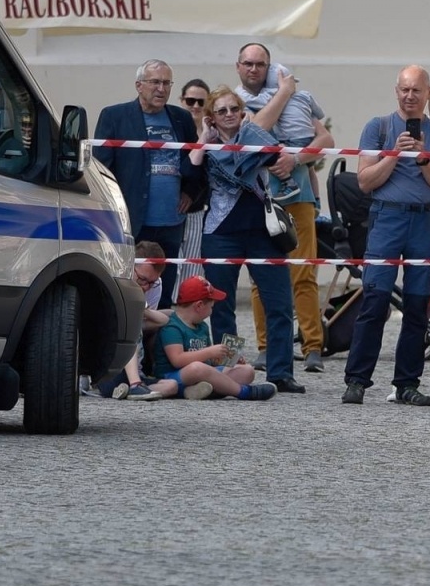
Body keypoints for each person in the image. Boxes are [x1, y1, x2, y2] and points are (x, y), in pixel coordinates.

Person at [340, 66, 430, 406]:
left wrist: (421, 158)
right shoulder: (377, 127)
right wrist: (394, 153)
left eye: (416, 91)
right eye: (404, 90)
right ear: (396, 91)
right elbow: (365, 181)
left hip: (423, 220)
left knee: (418, 305)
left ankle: (407, 383)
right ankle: (357, 380)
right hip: (386, 217)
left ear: (427, 94)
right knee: (374, 299)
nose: (409, 96)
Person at [187, 85, 304, 393]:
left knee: (278, 303)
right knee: (223, 308)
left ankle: (281, 372)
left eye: (233, 109)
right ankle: (232, 367)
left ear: (242, 112)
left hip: (265, 234)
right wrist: (203, 135)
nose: (229, 115)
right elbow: (192, 165)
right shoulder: (209, 147)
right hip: (220, 233)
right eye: (221, 111)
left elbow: (280, 160)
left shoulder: (256, 139)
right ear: (212, 117)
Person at [235, 44, 334, 373]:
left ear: (269, 67)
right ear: (238, 67)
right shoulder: (235, 101)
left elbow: (325, 140)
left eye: (260, 64)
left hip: (299, 195)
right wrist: (285, 91)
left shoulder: (297, 99)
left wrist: (297, 158)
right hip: (259, 198)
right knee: (260, 276)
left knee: (304, 272)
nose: (254, 69)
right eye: (248, 63)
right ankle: (266, 347)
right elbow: (256, 127)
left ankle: (313, 347)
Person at [92, 60, 205, 307]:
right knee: (129, 288)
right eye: (155, 82)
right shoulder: (115, 116)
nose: (161, 89)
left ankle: (161, 345)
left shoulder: (181, 118)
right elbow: (101, 168)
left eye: (166, 83)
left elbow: (198, 163)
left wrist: (190, 192)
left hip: (171, 222)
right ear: (139, 85)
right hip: (132, 220)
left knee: (164, 289)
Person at [150, 276, 276, 401]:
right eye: (211, 307)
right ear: (199, 306)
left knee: (247, 371)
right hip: (172, 376)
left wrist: (224, 359)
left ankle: (199, 390)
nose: (212, 311)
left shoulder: (202, 326)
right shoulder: (173, 327)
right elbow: (177, 360)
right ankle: (243, 392)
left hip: (203, 373)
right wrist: (210, 352)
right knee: (197, 368)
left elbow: (208, 362)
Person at [107, 243, 172, 400]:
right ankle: (135, 385)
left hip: (138, 353)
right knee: (131, 325)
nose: (146, 287)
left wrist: (144, 310)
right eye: (142, 279)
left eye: (151, 282)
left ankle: (136, 387)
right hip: (112, 361)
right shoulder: (116, 277)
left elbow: (151, 321)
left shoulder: (155, 285)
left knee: (172, 316)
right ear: (130, 265)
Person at [174, 77, 212, 287]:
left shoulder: (212, 134)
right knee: (170, 263)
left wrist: (191, 193)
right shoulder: (174, 128)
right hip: (170, 205)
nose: (195, 106)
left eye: (201, 102)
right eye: (190, 101)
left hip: (198, 208)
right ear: (182, 100)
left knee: (193, 266)